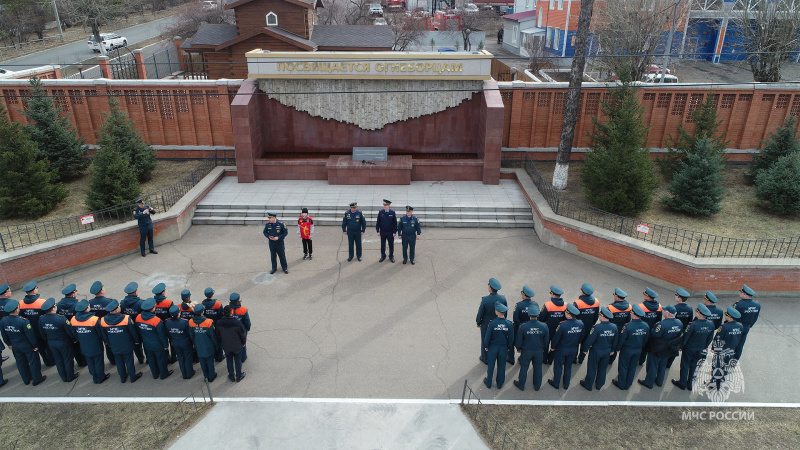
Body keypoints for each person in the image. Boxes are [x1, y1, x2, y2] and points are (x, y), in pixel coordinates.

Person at [0, 300, 46, 386]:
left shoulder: (3, 321)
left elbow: (4, 335)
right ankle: (37, 379)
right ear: (17, 309)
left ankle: (26, 379)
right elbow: (30, 335)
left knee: (21, 362)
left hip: (15, 345)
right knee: (33, 361)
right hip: (26, 345)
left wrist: (9, 344)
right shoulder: (23, 321)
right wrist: (35, 345)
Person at [638, 305, 683, 389]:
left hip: (658, 349)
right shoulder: (679, 323)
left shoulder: (661, 325)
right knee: (662, 366)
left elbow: (654, 334)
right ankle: (659, 381)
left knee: (652, 366)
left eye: (664, 311)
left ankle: (648, 382)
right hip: (668, 350)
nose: (663, 312)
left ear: (667, 313)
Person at [671, 303, 714, 391]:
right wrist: (705, 346)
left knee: (685, 365)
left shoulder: (692, 325)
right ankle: (690, 384)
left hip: (689, 348)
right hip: (701, 348)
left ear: (699, 314)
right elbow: (710, 338)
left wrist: (681, 346)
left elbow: (686, 338)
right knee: (694, 366)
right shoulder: (711, 324)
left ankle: (682, 383)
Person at [99, 300, 142, 383]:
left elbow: (104, 335)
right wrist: (136, 341)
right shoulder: (126, 318)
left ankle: (123, 378)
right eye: (119, 307)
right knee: (129, 361)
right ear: (116, 310)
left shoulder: (103, 320)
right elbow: (133, 332)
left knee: (119, 362)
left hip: (114, 345)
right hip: (127, 344)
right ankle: (133, 377)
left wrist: (108, 343)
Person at [69, 300, 110, 384]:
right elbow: (100, 333)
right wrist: (105, 341)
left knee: (90, 361)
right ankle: (101, 377)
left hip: (84, 344)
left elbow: (73, 333)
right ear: (87, 308)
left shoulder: (73, 319)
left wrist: (79, 339)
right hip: (95, 344)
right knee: (98, 361)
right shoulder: (94, 319)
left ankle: (94, 377)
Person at [38, 298, 78, 383]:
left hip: (51, 342)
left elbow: (42, 333)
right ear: (53, 308)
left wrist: (47, 340)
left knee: (58, 360)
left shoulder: (41, 319)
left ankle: (63, 377)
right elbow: (69, 331)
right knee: (67, 359)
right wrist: (74, 339)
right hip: (63, 342)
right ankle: (70, 376)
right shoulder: (61, 318)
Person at [580, 307, 618, 391]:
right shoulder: (614, 327)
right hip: (607, 351)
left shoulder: (596, 328)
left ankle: (588, 384)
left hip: (596, 350)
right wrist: (612, 350)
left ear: (603, 317)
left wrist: (585, 349)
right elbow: (615, 341)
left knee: (592, 368)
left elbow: (590, 340)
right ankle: (599, 385)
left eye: (600, 315)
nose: (598, 316)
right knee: (603, 368)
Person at [612, 304, 650, 390]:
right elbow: (645, 339)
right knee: (632, 367)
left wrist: (617, 348)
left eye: (631, 313)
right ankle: (628, 384)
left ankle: (621, 384)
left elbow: (622, 339)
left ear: (634, 315)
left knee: (623, 366)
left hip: (627, 350)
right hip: (638, 349)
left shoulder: (627, 327)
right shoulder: (646, 326)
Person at [547, 304, 583, 390]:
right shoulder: (580, 324)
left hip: (562, 349)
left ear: (569, 315)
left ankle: (556, 383)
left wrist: (553, 347)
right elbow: (581, 337)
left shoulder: (562, 325)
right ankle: (566, 384)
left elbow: (556, 337)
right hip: (573, 348)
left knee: (558, 366)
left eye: (566, 313)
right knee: (568, 366)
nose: (565, 314)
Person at [19, 280, 55, 367]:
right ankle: (52, 360)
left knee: (40, 348)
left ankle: (46, 361)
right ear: (34, 290)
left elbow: (22, 317)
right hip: (42, 329)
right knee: (47, 346)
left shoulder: (21, 303)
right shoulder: (42, 302)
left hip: (31, 330)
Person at [513, 303, 548, 392]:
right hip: (539, 350)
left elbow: (519, 340)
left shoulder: (523, 326)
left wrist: (518, 348)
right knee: (538, 368)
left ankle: (521, 385)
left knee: (524, 367)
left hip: (526, 350)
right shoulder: (544, 326)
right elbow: (546, 340)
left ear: (528, 315)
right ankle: (537, 386)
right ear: (538, 315)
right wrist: (543, 348)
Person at [135, 298, 173, 380]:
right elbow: (162, 335)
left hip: (147, 343)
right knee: (161, 360)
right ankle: (163, 374)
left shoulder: (138, 317)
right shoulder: (156, 321)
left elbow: (139, 331)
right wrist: (165, 346)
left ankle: (155, 374)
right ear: (152, 309)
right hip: (157, 344)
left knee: (151, 360)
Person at [476, 278, 508, 365]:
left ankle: (485, 357)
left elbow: (480, 313)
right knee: (495, 339)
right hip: (499, 322)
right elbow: (505, 311)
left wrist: (478, 322)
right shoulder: (503, 298)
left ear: (490, 288)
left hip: (487, 323)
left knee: (485, 340)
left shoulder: (485, 300)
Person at [710, 307, 743, 388]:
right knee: (726, 367)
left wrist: (713, 348)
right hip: (732, 350)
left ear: (730, 317)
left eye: (726, 314)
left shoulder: (724, 327)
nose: (725, 315)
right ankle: (721, 382)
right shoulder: (740, 326)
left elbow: (718, 338)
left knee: (717, 367)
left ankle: (713, 383)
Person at [483, 302, 513, 389]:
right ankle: (499, 384)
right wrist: (508, 347)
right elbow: (511, 338)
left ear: (497, 312)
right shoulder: (509, 324)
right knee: (501, 366)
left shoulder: (492, 323)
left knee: (491, 366)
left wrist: (486, 346)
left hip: (493, 347)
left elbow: (487, 337)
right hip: (503, 347)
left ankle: (488, 383)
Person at [57, 283, 86, 367]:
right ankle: (84, 361)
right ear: (73, 294)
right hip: (76, 329)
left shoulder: (59, 305)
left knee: (74, 348)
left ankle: (79, 362)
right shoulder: (77, 305)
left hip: (65, 330)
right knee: (80, 346)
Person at [88, 281, 116, 366]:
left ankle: (109, 360)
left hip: (95, 326)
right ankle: (113, 360)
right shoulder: (109, 301)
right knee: (109, 344)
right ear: (101, 291)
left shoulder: (90, 303)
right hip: (107, 325)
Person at [188, 304, 219, 382]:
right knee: (210, 361)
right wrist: (216, 345)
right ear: (202, 312)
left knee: (202, 362)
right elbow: (212, 336)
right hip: (208, 345)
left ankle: (205, 376)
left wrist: (195, 342)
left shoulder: (191, 322)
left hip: (198, 345)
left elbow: (191, 335)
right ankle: (211, 376)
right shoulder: (208, 322)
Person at [216, 305, 247, 382]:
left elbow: (217, 335)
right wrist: (243, 343)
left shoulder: (219, 322)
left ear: (223, 313)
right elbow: (243, 334)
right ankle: (239, 376)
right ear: (231, 312)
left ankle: (231, 376)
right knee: (238, 360)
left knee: (229, 361)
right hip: (237, 346)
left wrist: (222, 342)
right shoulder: (237, 322)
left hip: (226, 346)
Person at [539, 285, 566, 364]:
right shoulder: (565, 305)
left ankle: (544, 359)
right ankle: (551, 359)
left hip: (548, 329)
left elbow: (542, 318)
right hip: (559, 330)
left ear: (552, 294)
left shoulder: (547, 305)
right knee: (555, 345)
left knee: (545, 344)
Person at [166, 305, 195, 379]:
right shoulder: (184, 322)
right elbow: (189, 333)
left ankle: (184, 374)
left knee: (180, 358)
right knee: (188, 358)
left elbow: (168, 333)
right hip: (185, 342)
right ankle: (189, 373)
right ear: (178, 313)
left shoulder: (168, 322)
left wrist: (171, 341)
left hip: (175, 342)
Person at [120, 282, 146, 365]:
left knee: (136, 344)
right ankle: (149, 358)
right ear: (136, 292)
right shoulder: (141, 303)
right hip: (140, 327)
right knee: (145, 343)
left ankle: (140, 358)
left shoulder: (122, 303)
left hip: (129, 328)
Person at [667, 287, 693, 369]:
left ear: (679, 298)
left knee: (668, 347)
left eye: (676, 295)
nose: (675, 296)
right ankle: (669, 363)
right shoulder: (690, 309)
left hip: (672, 330)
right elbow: (690, 321)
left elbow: (669, 319)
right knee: (675, 348)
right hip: (681, 332)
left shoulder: (675, 308)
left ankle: (665, 363)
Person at [573, 283, 599, 364]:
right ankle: (581, 359)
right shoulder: (596, 302)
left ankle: (574, 359)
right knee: (585, 344)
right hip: (589, 327)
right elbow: (596, 316)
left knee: (576, 344)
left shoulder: (577, 303)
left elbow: (574, 316)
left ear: (583, 292)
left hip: (578, 328)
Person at [733, 284, 760, 361]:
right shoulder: (757, 305)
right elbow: (755, 317)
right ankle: (735, 359)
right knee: (741, 343)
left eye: (741, 292)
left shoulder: (738, 304)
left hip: (737, 326)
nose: (739, 293)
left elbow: (732, 316)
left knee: (731, 343)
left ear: (745, 294)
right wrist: (749, 325)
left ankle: (728, 359)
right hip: (746, 327)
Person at [152, 283, 177, 363]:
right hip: (168, 325)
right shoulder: (168, 303)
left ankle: (166, 357)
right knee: (172, 341)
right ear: (163, 292)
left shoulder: (152, 303)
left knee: (162, 342)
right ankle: (173, 357)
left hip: (157, 326)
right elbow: (173, 315)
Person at [637, 287, 662, 366]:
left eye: (644, 294)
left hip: (641, 329)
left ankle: (637, 359)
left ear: (647, 297)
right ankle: (642, 360)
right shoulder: (659, 306)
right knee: (647, 345)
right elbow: (659, 320)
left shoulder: (641, 306)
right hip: (652, 330)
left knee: (639, 344)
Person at [607, 288, 632, 365]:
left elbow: (606, 319)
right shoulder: (629, 307)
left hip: (611, 328)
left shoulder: (611, 307)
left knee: (608, 343)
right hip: (622, 329)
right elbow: (628, 320)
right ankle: (611, 360)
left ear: (617, 297)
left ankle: (606, 359)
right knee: (616, 344)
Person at [201, 287, 225, 362]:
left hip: (207, 325)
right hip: (217, 325)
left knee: (211, 341)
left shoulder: (202, 304)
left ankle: (215, 356)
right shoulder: (217, 304)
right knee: (218, 341)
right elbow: (221, 315)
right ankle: (220, 356)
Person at [229, 293, 251, 362]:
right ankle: (243, 357)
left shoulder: (228, 309)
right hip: (241, 330)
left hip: (231, 330)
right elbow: (247, 321)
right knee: (243, 343)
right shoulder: (243, 310)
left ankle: (234, 356)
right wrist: (248, 328)